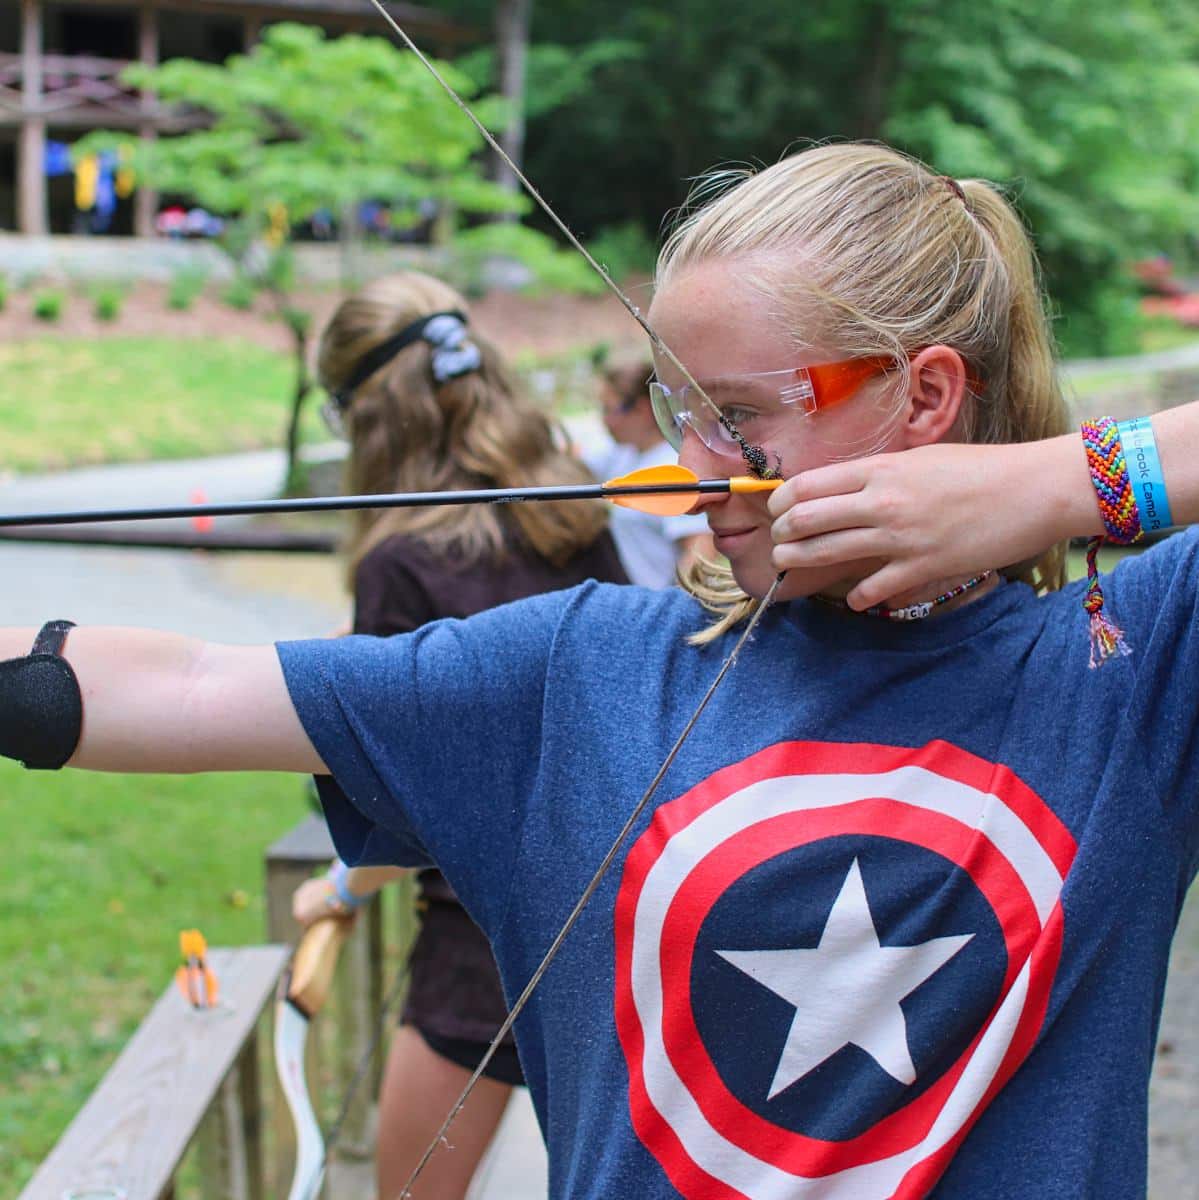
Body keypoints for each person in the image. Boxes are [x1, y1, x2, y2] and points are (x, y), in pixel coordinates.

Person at [6, 142, 1199, 1200]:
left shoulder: (1127, 664)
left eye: (739, 420)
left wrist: (1052, 487)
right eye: (677, 408)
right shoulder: (584, 671)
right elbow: (182, 684)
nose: (691, 473)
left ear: (926, 394)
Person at [285, 270, 627, 1199]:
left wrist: (339, 888)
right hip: (617, 915)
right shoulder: (568, 508)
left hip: (483, 933)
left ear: (369, 415)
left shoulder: (402, 559)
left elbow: (401, 800)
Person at [583, 360, 713, 587]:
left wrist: (669, 607)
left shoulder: (670, 469)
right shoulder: (624, 456)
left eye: (608, 409)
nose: (604, 420)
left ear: (641, 409)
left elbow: (699, 552)